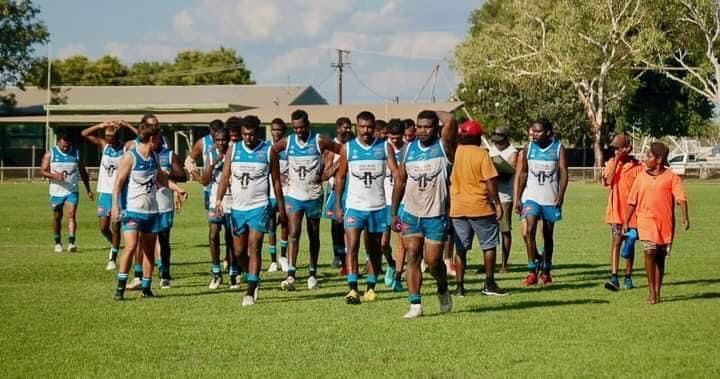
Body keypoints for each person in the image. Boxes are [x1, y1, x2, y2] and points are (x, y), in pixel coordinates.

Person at [391, 110, 457, 319]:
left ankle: (442, 287)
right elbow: (400, 181)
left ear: (436, 128)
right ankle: (415, 304)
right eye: (419, 126)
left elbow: (452, 120)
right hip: (411, 213)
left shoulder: (444, 147)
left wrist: (434, 109)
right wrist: (394, 213)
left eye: (427, 126)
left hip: (436, 215)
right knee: (412, 255)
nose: (421, 130)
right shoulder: (409, 149)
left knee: (432, 261)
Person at [215, 116, 286, 306]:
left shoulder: (268, 151)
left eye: (251, 134)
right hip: (238, 208)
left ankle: (250, 290)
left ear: (258, 133)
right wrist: (218, 200)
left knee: (254, 247)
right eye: (245, 134)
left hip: (259, 206)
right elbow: (225, 177)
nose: (248, 138)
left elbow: (277, 182)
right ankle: (253, 277)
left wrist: (281, 208)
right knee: (238, 252)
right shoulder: (234, 149)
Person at [270, 109, 341, 291]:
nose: (299, 131)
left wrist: (328, 172)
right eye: (295, 128)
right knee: (293, 233)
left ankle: (312, 273)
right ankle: (291, 275)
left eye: (301, 128)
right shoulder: (288, 141)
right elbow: (270, 153)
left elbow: (344, 153)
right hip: (294, 195)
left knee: (313, 234)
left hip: (314, 195)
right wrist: (279, 174)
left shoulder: (319, 140)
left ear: (307, 125)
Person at [112, 121, 183, 300]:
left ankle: (146, 287)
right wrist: (115, 205)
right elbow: (118, 182)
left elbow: (160, 177)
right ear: (151, 138)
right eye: (159, 139)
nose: (161, 143)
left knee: (149, 252)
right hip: (133, 210)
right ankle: (120, 288)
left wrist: (176, 188)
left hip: (152, 211)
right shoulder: (130, 157)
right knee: (131, 246)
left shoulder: (154, 156)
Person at [334, 111, 398, 304]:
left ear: (374, 128)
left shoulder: (385, 147)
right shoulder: (348, 148)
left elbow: (395, 172)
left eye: (369, 127)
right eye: (362, 127)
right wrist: (338, 204)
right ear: (357, 127)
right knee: (352, 246)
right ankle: (352, 289)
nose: (366, 131)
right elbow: (340, 176)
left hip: (378, 207)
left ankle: (370, 287)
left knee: (375, 249)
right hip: (354, 206)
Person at [625, 142, 689, 304]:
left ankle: (658, 290)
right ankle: (651, 291)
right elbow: (632, 201)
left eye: (649, 156)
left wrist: (685, 217)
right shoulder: (641, 177)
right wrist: (626, 221)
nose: (645, 159)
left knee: (660, 258)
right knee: (649, 252)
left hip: (665, 223)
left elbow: (681, 199)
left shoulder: (672, 178)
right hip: (645, 221)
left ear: (659, 159)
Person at [449, 120, 506, 297]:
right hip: (480, 207)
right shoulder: (482, 154)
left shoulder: (455, 152)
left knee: (460, 248)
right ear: (479, 137)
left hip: (458, 207)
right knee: (488, 246)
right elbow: (490, 181)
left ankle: (459, 287)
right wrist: (497, 203)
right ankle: (489, 284)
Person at [513, 118, 568, 287]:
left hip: (550, 198)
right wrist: (517, 198)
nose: (535, 135)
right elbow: (522, 173)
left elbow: (564, 172)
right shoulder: (528, 148)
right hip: (531, 197)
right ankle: (531, 270)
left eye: (539, 132)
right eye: (533, 131)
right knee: (529, 230)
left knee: (547, 234)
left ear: (548, 132)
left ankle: (546, 270)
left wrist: (561, 195)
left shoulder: (558, 148)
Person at [81, 120, 137, 269]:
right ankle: (116, 244)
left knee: (116, 225)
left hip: (119, 193)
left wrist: (127, 125)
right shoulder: (105, 146)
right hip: (105, 193)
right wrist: (100, 125)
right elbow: (84, 133)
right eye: (106, 136)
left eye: (110, 136)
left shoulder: (126, 148)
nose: (108, 139)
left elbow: (141, 138)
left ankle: (112, 258)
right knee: (103, 227)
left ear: (117, 136)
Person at [40, 130, 94, 253]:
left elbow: (83, 172)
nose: (65, 147)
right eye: (63, 145)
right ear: (58, 142)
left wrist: (88, 189)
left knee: (71, 215)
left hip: (72, 190)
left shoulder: (76, 152)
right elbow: (42, 170)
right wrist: (54, 176)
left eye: (67, 145)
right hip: (56, 191)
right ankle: (58, 242)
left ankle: (71, 242)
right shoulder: (50, 154)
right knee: (57, 217)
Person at [602, 134, 642, 291]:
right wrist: (617, 160)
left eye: (619, 148)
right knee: (616, 241)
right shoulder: (612, 163)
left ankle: (628, 276)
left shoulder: (637, 167)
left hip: (632, 213)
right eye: (614, 148)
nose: (616, 150)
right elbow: (608, 181)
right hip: (616, 212)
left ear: (627, 148)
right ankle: (614, 276)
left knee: (630, 244)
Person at [200, 127, 233, 289]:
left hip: (233, 200)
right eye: (218, 140)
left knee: (231, 238)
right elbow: (205, 181)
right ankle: (216, 273)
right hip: (216, 200)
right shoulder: (211, 154)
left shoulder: (235, 152)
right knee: (213, 234)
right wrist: (214, 163)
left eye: (224, 140)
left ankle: (234, 273)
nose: (221, 143)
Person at [154, 138, 187, 289]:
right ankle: (141, 274)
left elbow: (182, 175)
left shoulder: (169, 155)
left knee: (163, 239)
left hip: (164, 204)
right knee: (144, 240)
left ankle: (164, 272)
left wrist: (168, 173)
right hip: (143, 205)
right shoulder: (138, 154)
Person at [322, 117, 353, 273]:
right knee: (336, 225)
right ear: (338, 128)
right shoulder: (330, 147)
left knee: (351, 224)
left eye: (349, 128)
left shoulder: (354, 145)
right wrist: (341, 161)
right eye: (344, 127)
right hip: (336, 189)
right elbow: (325, 174)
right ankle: (338, 255)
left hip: (353, 189)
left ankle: (349, 256)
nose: (347, 130)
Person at [490, 126, 518, 273]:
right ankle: (489, 263)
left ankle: (504, 264)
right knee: (489, 231)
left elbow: (508, 173)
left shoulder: (513, 152)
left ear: (507, 138)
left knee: (505, 230)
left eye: (500, 140)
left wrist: (491, 171)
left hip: (505, 197)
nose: (497, 143)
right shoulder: (491, 149)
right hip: (490, 196)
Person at [383, 119, 406, 291]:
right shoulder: (382, 149)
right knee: (382, 244)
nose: (395, 141)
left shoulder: (408, 150)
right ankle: (391, 264)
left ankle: (398, 277)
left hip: (403, 203)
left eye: (398, 138)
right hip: (382, 202)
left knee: (401, 242)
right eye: (392, 137)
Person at [185, 119, 225, 210]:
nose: (215, 132)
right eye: (213, 130)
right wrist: (198, 177)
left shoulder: (229, 140)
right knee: (213, 219)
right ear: (210, 129)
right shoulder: (203, 142)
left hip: (227, 187)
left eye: (218, 130)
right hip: (209, 187)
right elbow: (189, 161)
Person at [267, 118, 290, 272]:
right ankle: (273, 260)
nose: (277, 133)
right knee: (270, 226)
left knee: (285, 223)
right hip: (269, 193)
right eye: (274, 130)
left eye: (279, 130)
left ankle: (283, 257)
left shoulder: (289, 148)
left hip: (287, 191)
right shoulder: (266, 148)